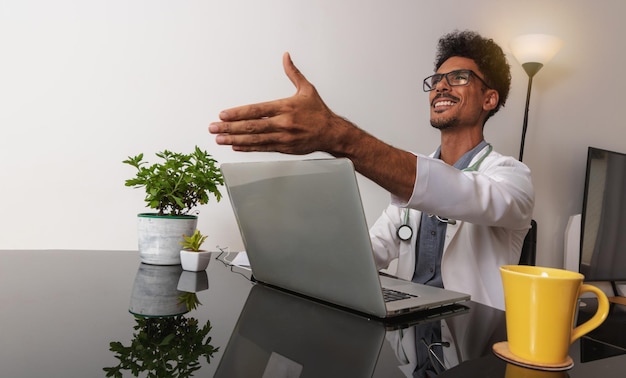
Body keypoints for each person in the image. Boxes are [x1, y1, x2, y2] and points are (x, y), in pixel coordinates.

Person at [209, 30, 534, 310]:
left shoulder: (513, 177)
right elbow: (366, 256)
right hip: (410, 336)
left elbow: (463, 193)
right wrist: (262, 258)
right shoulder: (409, 177)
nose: (441, 87)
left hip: (475, 340)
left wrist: (337, 135)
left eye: (458, 78)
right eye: (436, 80)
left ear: (490, 98)